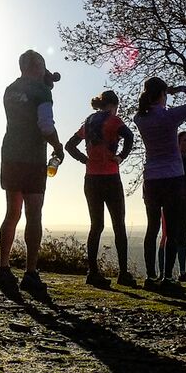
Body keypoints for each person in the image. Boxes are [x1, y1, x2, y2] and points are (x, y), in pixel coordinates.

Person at [0, 50, 65, 298]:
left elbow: (24, 105)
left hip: (10, 154)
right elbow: (45, 124)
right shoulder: (41, 91)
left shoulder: (9, 90)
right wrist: (57, 146)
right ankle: (30, 272)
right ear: (38, 65)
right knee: (33, 214)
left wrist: (44, 81)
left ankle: (3, 267)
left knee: (11, 212)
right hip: (33, 158)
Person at [134, 77, 186, 290]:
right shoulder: (170, 116)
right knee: (172, 230)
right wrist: (182, 89)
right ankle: (167, 277)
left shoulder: (140, 118)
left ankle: (150, 276)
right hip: (173, 180)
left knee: (152, 228)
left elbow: (144, 110)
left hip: (151, 179)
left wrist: (166, 92)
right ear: (162, 94)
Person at [65, 89, 136, 288]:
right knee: (118, 225)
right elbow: (129, 137)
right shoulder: (114, 120)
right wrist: (121, 157)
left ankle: (93, 272)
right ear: (113, 105)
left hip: (91, 179)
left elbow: (70, 145)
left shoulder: (88, 122)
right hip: (111, 177)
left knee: (96, 226)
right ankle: (123, 274)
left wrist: (85, 160)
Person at [158, 132, 186, 282]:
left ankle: (182, 272)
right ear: (177, 143)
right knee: (166, 236)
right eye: (184, 140)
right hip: (169, 201)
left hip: (185, 200)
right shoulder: (170, 160)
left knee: (183, 236)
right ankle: (162, 272)